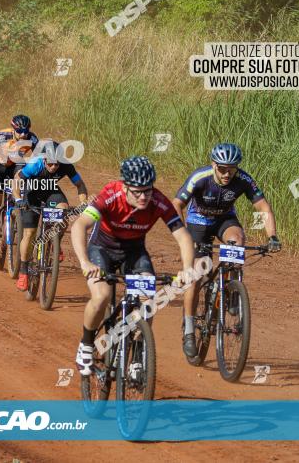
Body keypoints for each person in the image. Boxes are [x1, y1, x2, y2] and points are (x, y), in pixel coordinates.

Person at [71, 156, 195, 375]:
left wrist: (187, 269)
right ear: (125, 186)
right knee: (101, 296)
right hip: (102, 249)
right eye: (137, 191)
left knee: (148, 300)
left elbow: (183, 236)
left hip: (134, 251)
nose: (143, 196)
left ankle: (138, 357)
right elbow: (80, 225)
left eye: (147, 190)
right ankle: (86, 344)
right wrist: (85, 262)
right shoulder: (110, 195)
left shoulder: (158, 201)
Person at [171, 142, 281, 358]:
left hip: (224, 219)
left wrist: (272, 237)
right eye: (221, 168)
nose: (226, 173)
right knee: (195, 275)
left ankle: (231, 291)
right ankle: (190, 330)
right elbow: (176, 205)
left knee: (237, 240)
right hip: (197, 221)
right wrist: (184, 236)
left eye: (232, 168)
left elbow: (263, 207)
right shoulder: (199, 177)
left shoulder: (243, 179)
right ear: (213, 165)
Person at [11, 142, 89, 290]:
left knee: (63, 210)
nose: (54, 167)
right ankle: (23, 271)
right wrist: (19, 199)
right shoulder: (35, 165)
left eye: (57, 164)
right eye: (51, 164)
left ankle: (54, 242)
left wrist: (84, 202)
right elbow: (17, 180)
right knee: (30, 233)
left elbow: (80, 185)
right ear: (44, 159)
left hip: (51, 191)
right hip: (31, 193)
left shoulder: (66, 165)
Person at [0, 115, 39, 261]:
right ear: (13, 129)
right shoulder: (1, 136)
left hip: (16, 165)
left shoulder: (32, 139)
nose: (23, 134)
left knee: (21, 187)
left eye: (26, 130)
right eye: (20, 131)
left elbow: (40, 159)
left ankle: (16, 216)